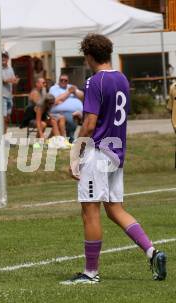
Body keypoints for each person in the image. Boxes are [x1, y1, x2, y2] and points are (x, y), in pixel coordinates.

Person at [63, 34, 167, 285]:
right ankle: (152, 252)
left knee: (90, 211)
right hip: (116, 151)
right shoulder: (121, 78)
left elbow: (89, 124)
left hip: (98, 152)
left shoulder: (94, 81)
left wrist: (75, 154)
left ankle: (90, 273)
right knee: (115, 209)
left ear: (88, 56)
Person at [49, 74, 84, 141]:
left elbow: (82, 96)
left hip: (76, 111)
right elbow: (54, 101)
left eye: (65, 80)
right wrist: (68, 92)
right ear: (58, 80)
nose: (63, 81)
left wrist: (75, 92)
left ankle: (69, 138)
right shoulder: (54, 88)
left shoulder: (71, 87)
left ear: (68, 81)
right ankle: (70, 139)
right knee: (71, 118)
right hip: (59, 112)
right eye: (61, 80)